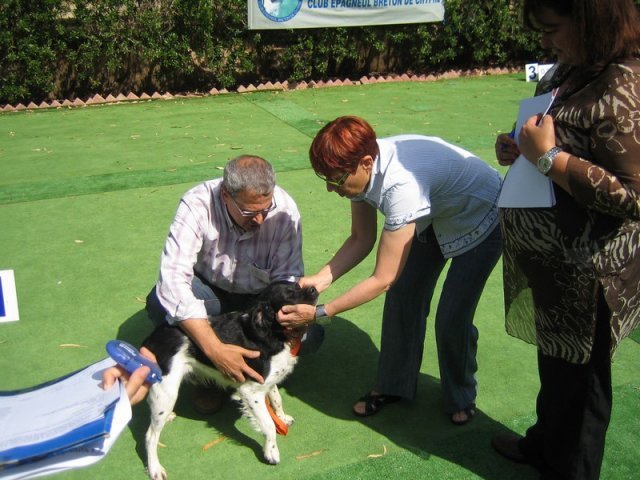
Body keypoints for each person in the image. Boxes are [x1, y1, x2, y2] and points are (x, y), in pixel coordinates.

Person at [491, 1, 640, 478]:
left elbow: (634, 196)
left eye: (552, 29)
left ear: (592, 22)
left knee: (583, 384)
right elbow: (548, 136)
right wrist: (519, 146)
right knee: (556, 364)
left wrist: (549, 158)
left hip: (593, 272)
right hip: (554, 260)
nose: (543, 42)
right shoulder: (571, 68)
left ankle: (570, 468)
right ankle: (545, 445)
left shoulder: (625, 84)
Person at [279, 116, 503, 425]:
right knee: (404, 297)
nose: (332, 188)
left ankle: (461, 395)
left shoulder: (401, 187)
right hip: (434, 212)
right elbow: (362, 238)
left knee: (452, 316)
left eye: (337, 179)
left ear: (367, 163)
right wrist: (321, 279)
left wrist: (319, 314)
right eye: (326, 179)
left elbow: (382, 279)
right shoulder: (360, 175)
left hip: (482, 214)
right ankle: (393, 385)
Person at [143, 154, 322, 413]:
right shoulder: (196, 204)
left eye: (265, 209)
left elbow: (287, 278)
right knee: (160, 304)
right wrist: (214, 349)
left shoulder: (284, 209)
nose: (260, 219)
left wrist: (288, 317)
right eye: (250, 211)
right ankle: (209, 376)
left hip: (259, 300)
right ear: (226, 195)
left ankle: (252, 370)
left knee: (311, 336)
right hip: (209, 292)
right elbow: (173, 280)